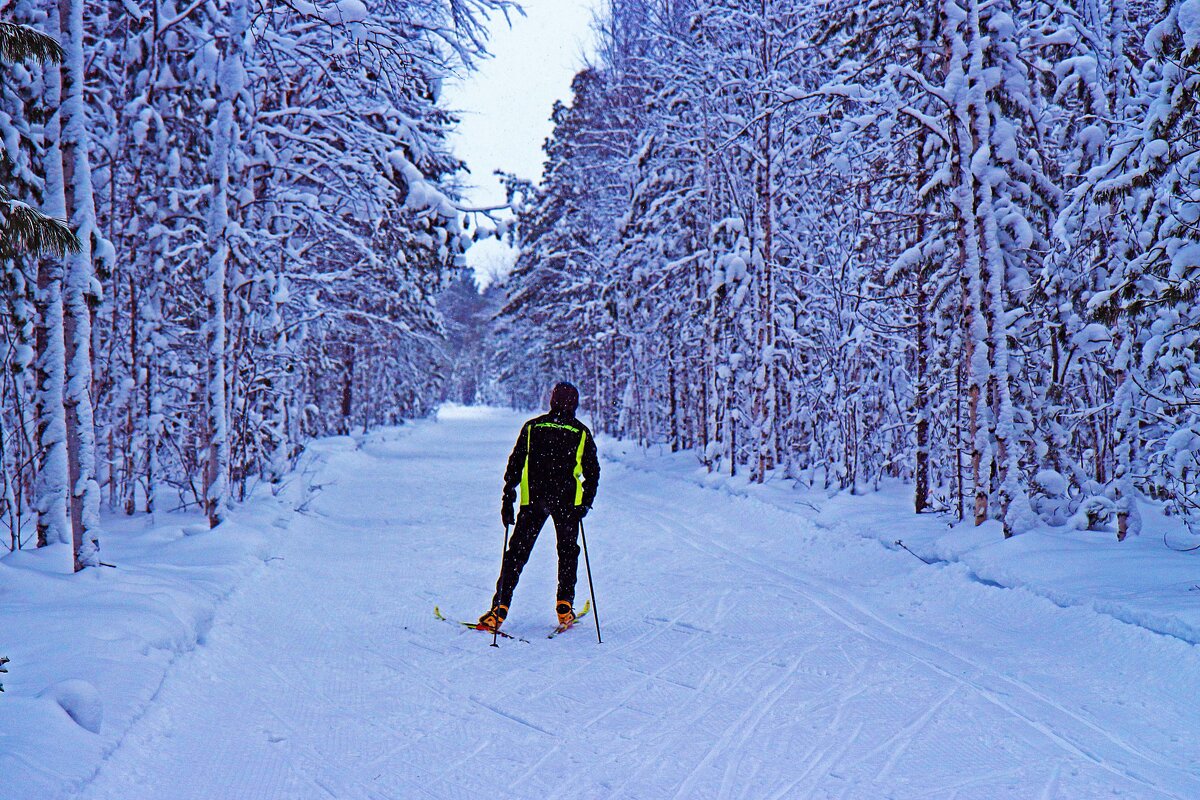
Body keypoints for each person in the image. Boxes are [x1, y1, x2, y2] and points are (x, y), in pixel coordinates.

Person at [478, 382, 600, 632]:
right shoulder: (581, 432)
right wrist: (585, 503)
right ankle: (564, 606)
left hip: (533, 499)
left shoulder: (533, 427)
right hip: (567, 503)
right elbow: (593, 472)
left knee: (516, 555)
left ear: (552, 401)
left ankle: (499, 609)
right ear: (574, 404)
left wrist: (507, 497)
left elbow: (515, 463)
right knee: (567, 553)